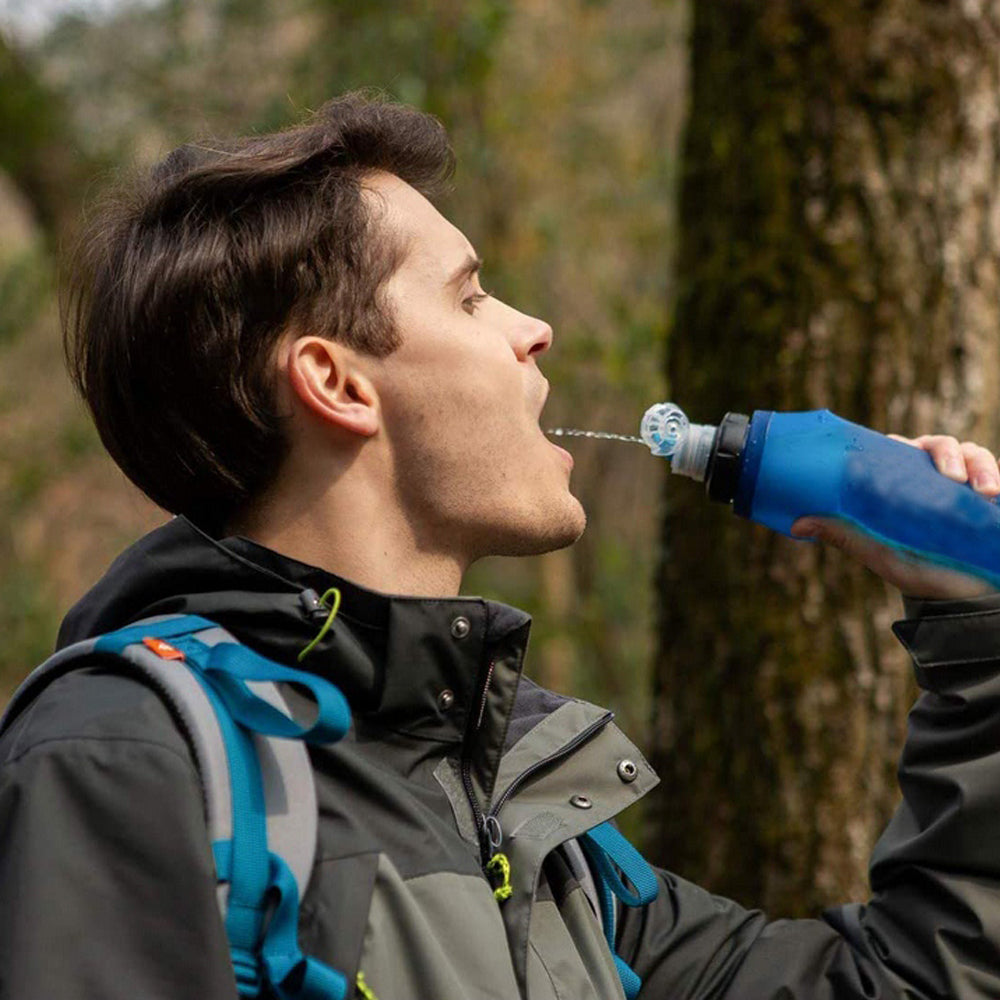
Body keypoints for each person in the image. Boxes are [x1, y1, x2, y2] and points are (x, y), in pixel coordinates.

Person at [1, 92, 999, 1000]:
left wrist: (976, 638)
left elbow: (908, 985)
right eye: (471, 296)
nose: (537, 329)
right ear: (336, 381)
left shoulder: (540, 832)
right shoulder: (123, 760)